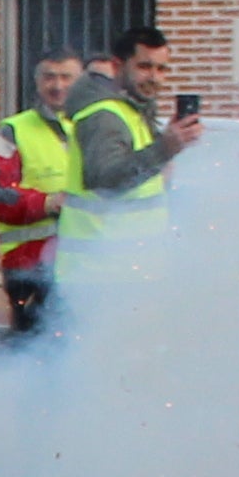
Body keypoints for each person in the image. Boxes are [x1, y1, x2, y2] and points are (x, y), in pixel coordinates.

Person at [52, 24, 202, 284]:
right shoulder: (104, 115)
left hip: (123, 273)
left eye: (161, 69)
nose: (154, 77)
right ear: (118, 66)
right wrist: (164, 149)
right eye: (144, 67)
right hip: (101, 276)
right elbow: (107, 181)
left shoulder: (132, 110)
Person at [0, 51, 76, 338]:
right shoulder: (14, 131)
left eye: (66, 77)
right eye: (49, 77)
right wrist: (46, 203)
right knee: (31, 357)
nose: (57, 85)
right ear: (36, 82)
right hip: (30, 268)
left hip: (81, 266)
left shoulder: (91, 128)